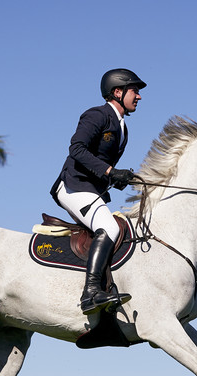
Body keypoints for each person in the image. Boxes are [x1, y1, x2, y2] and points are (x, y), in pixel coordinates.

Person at [50, 68, 146, 315]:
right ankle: (91, 292)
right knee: (110, 228)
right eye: (134, 91)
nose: (139, 96)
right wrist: (110, 171)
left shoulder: (122, 127)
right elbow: (77, 149)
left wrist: (116, 179)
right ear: (117, 91)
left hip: (91, 189)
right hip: (73, 186)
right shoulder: (97, 115)